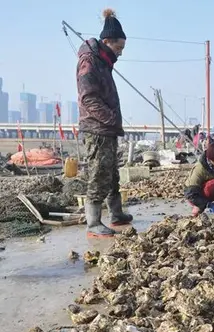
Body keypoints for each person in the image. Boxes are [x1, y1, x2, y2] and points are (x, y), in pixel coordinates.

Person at [77, 8, 133, 238]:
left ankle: (116, 213)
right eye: (118, 48)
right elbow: (88, 97)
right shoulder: (90, 61)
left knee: (111, 173)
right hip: (96, 128)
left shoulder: (104, 62)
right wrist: (110, 119)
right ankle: (93, 223)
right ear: (106, 42)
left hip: (107, 129)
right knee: (99, 173)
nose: (120, 53)